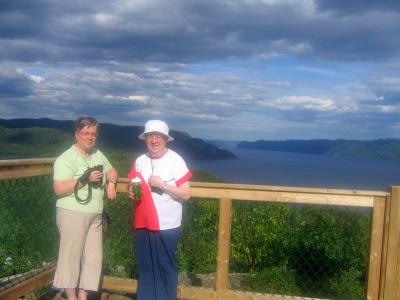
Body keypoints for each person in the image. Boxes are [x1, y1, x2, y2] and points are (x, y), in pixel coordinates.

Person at [52, 116, 118, 300]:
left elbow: (112, 171)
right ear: (77, 134)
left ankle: (83, 297)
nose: (90, 137)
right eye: (86, 133)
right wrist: (83, 180)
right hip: (72, 213)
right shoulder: (66, 158)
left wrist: (111, 183)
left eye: (93, 133)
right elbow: (58, 189)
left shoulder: (97, 154)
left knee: (93, 259)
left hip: (95, 215)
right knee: (70, 258)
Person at [128, 120, 192, 300]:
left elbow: (186, 194)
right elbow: (133, 186)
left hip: (166, 224)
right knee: (146, 266)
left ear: (165, 139)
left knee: (165, 266)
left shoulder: (175, 160)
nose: (154, 140)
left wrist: (162, 185)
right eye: (150, 136)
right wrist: (131, 193)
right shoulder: (140, 161)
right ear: (145, 139)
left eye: (158, 136)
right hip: (142, 222)